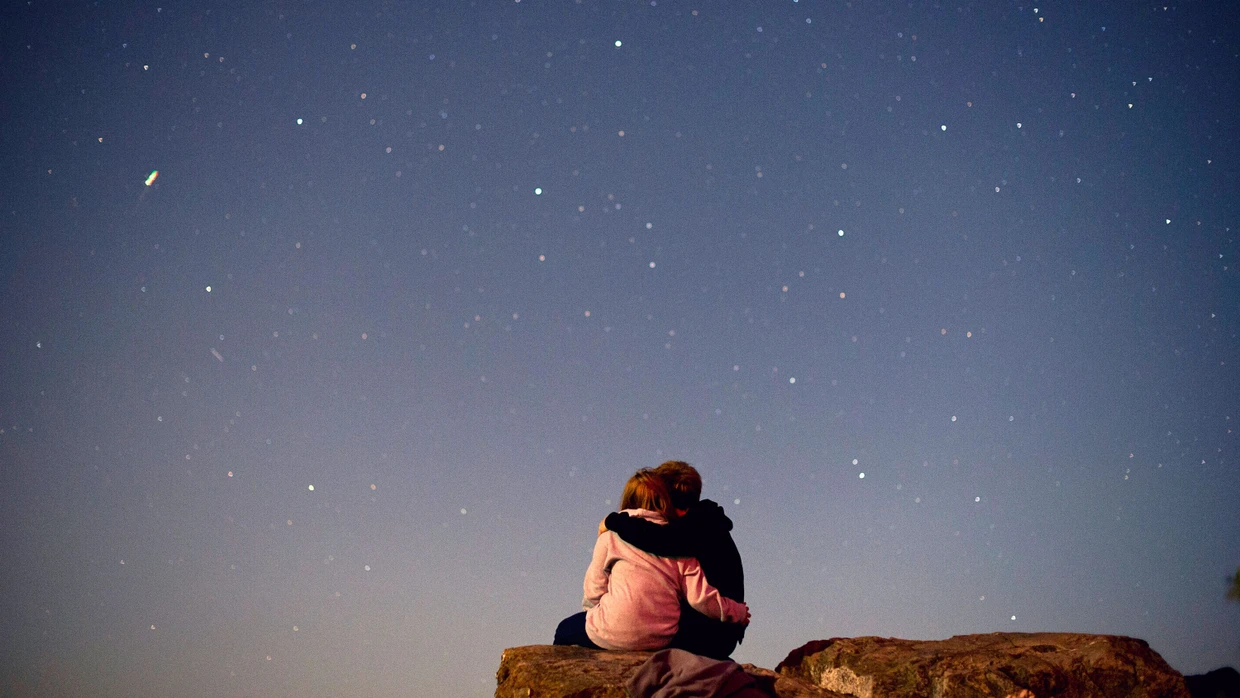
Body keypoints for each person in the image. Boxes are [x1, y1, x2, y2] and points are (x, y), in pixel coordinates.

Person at [553, 469, 750, 651]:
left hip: (705, 637)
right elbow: (700, 597)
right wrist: (738, 612)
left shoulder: (679, 536)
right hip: (677, 635)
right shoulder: (697, 529)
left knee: (565, 630)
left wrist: (613, 521)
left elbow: (594, 589)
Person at [601, 461, 746, 659]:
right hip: (718, 632)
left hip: (706, 635)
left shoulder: (694, 527)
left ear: (664, 495)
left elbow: (658, 538)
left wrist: (614, 521)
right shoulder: (705, 523)